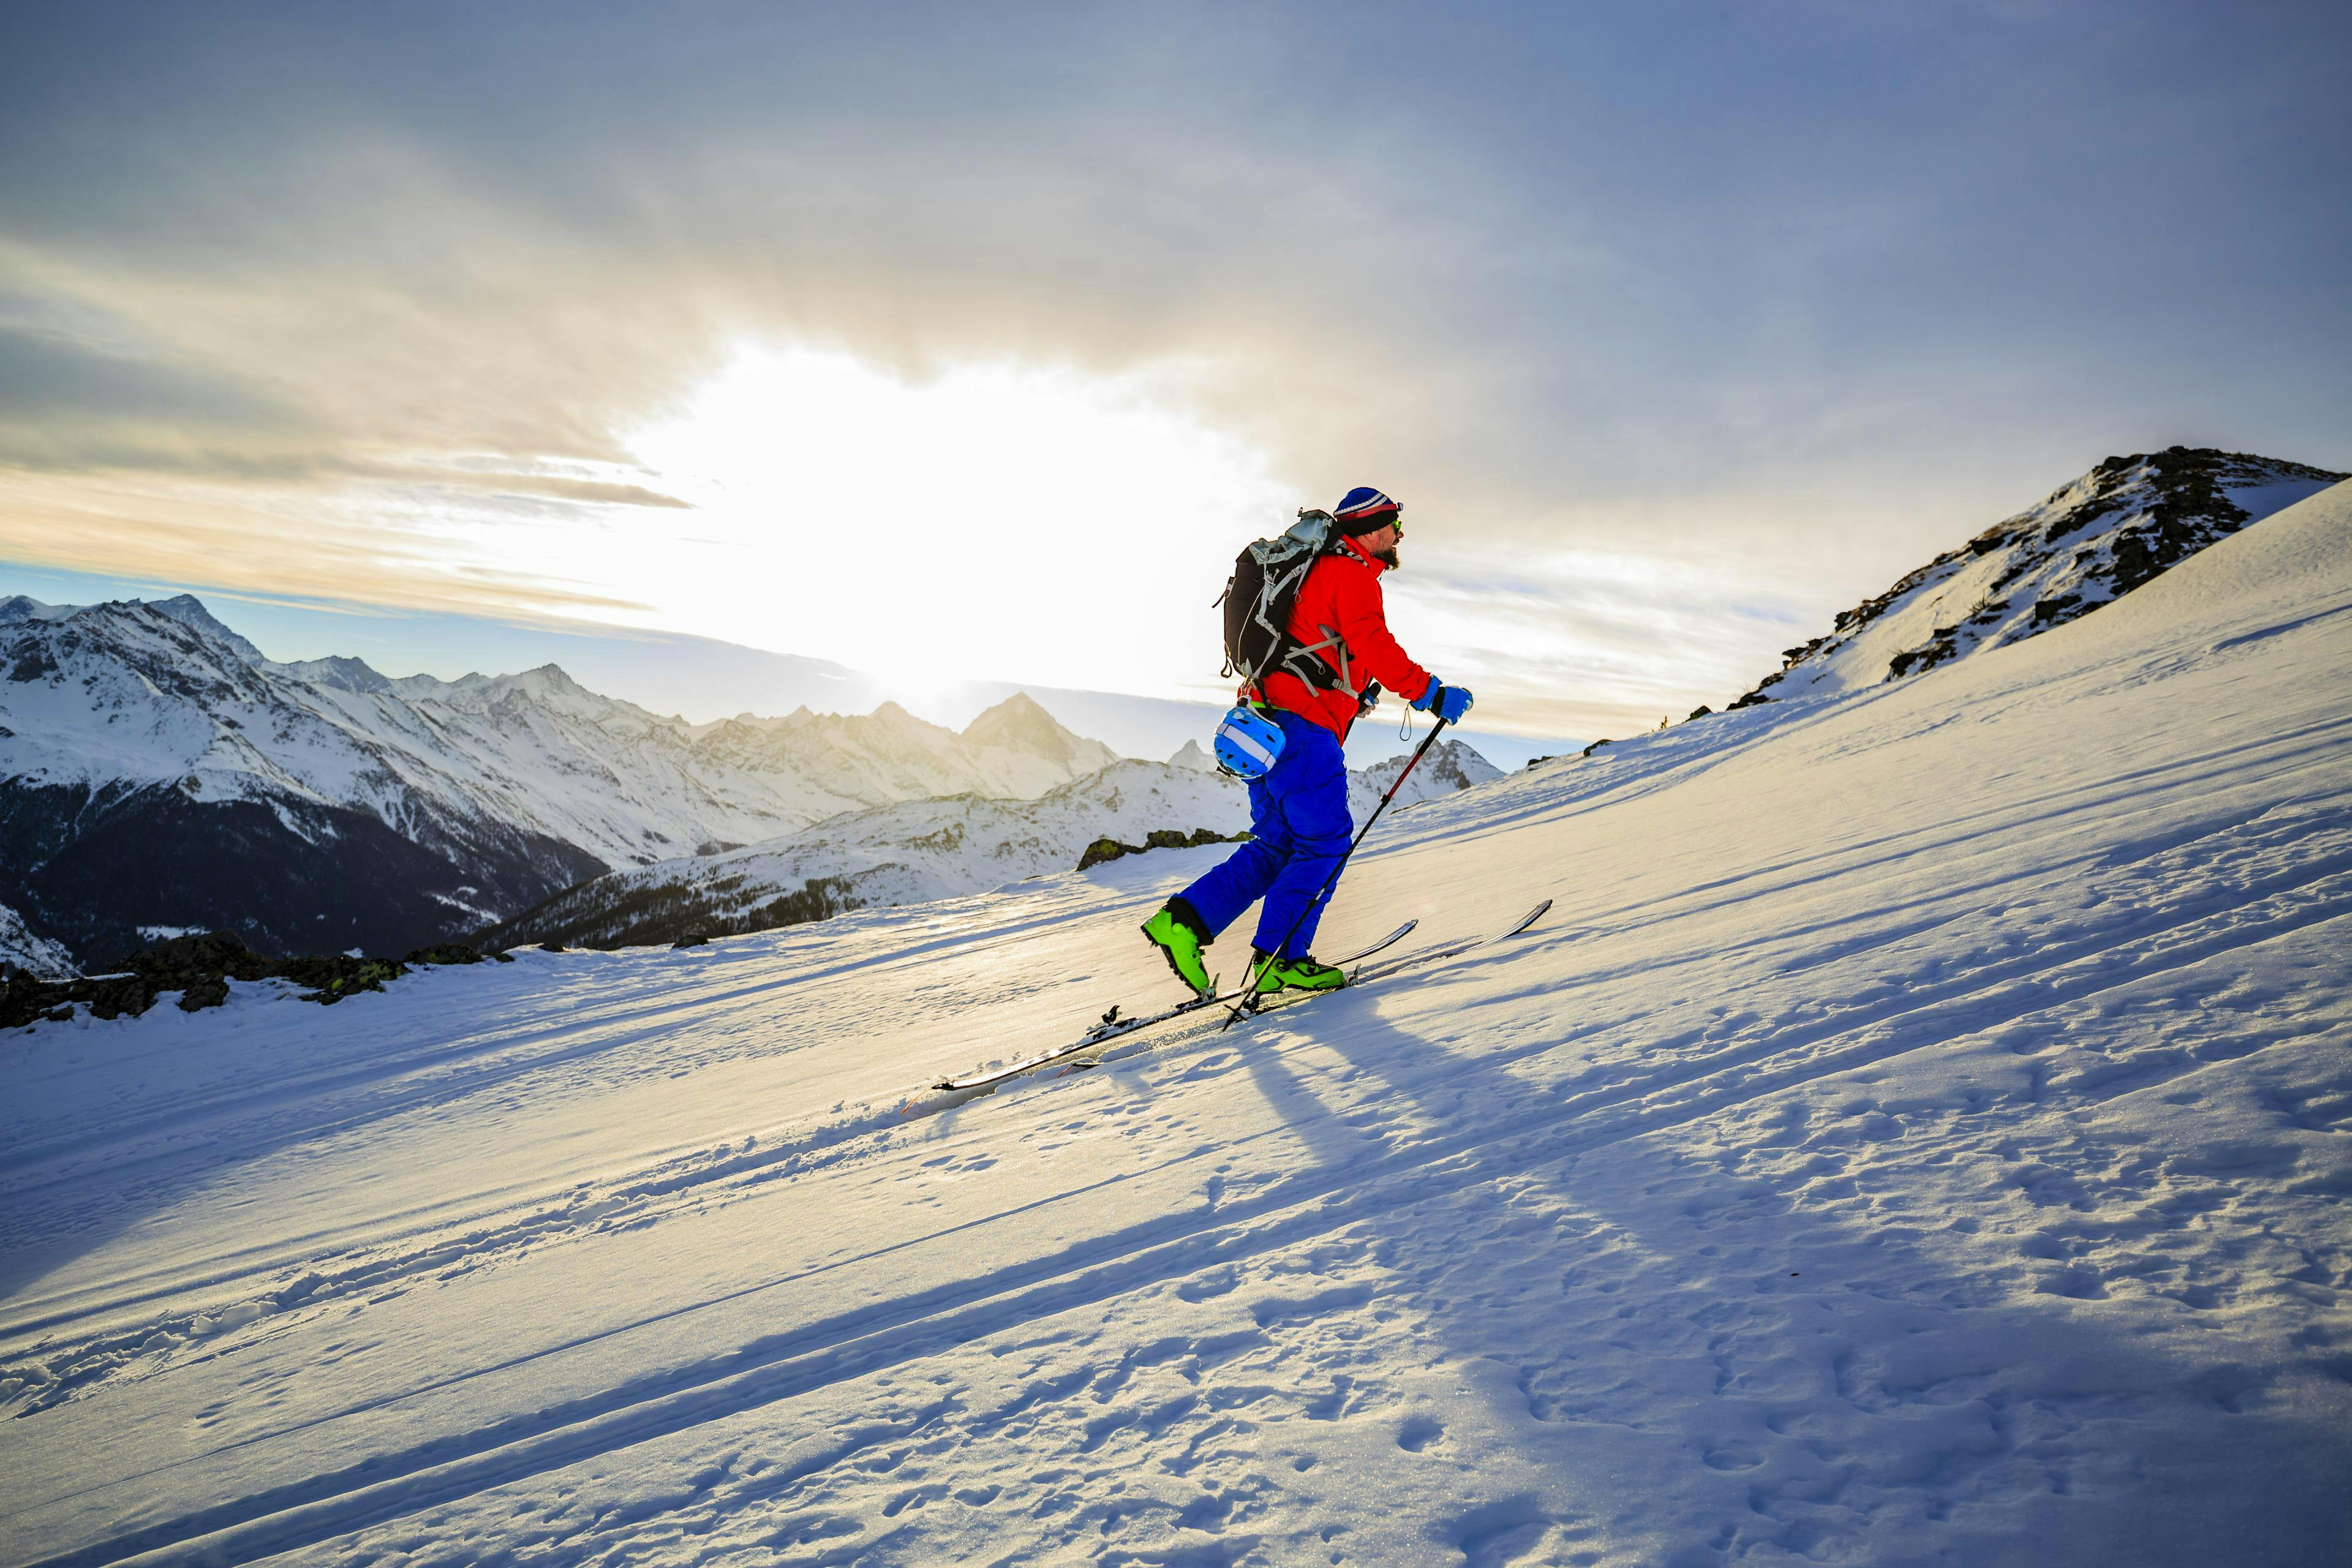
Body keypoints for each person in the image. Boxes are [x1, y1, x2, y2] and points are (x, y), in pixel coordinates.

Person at [1141, 486, 1475, 996]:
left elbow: (1332, 652)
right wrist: (1432, 693)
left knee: (1277, 844)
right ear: (1372, 528)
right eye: (1394, 526)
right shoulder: (1352, 574)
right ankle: (1282, 959)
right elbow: (1375, 646)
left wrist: (1353, 694)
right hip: (1302, 730)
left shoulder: (1318, 572)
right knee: (1324, 842)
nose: (1399, 535)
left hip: (1264, 725)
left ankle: (1182, 923)